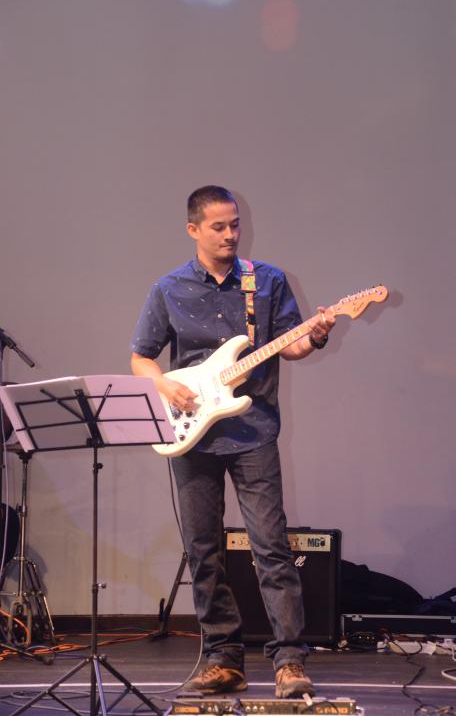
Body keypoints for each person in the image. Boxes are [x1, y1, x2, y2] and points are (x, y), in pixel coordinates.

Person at [130, 186, 335, 698]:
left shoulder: (266, 281)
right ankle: (223, 659)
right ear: (193, 229)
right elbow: (141, 356)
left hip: (253, 430)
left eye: (235, 224)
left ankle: (289, 660)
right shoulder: (169, 287)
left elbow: (291, 345)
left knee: (271, 546)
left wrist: (316, 334)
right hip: (193, 436)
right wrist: (163, 385)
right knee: (203, 551)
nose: (230, 234)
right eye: (219, 226)